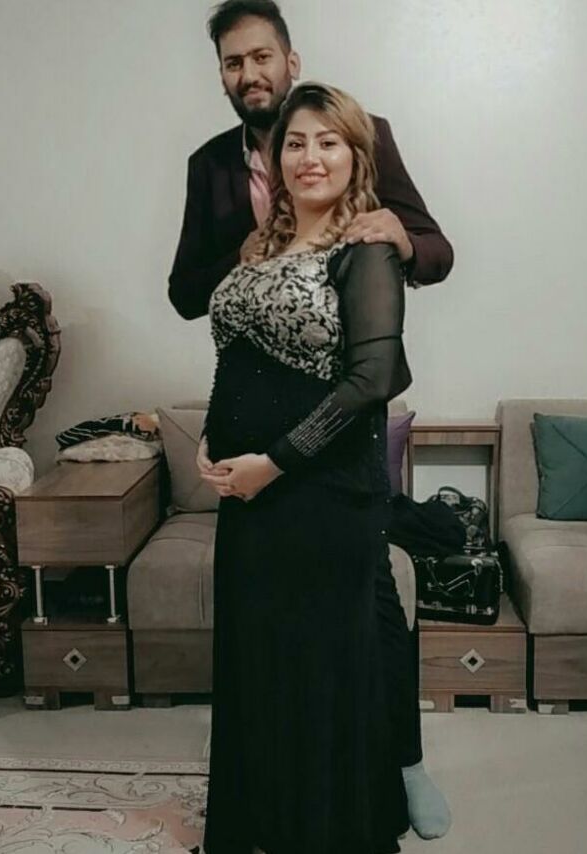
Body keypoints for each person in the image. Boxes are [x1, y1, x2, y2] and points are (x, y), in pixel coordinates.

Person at [170, 0, 453, 841]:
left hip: (329, 460)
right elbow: (189, 295)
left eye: (261, 56)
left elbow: (431, 256)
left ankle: (400, 765)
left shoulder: (359, 141)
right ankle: (280, 801)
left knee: (368, 625)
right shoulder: (212, 167)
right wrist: (265, 243)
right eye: (233, 62)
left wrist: (395, 237)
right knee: (274, 648)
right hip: (255, 474)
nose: (249, 73)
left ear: (290, 61)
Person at [199, 79, 415, 854]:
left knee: (321, 672)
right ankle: (267, 823)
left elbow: (372, 380)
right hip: (249, 497)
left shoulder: (366, 248)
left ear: (356, 156)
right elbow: (236, 354)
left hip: (322, 492)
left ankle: (328, 833)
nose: (309, 157)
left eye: (328, 142)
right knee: (259, 665)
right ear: (276, 157)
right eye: (295, 142)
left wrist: (275, 463)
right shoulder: (259, 246)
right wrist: (209, 440)